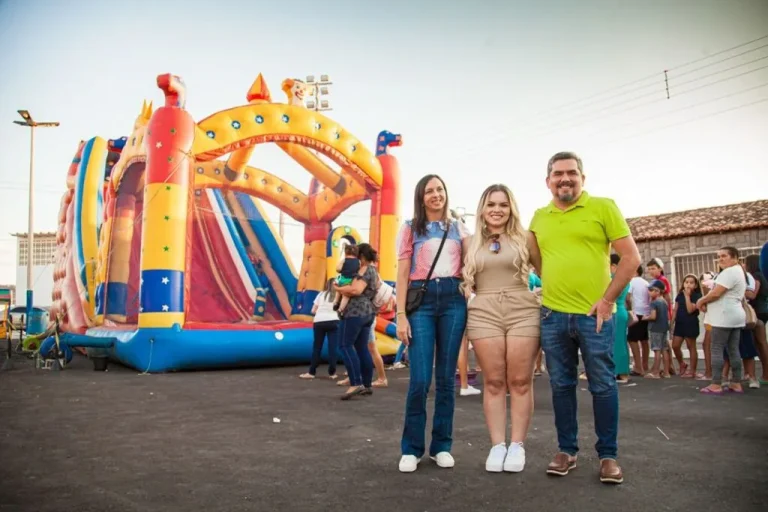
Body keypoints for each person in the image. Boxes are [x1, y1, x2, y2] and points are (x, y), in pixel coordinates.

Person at [528, 151, 641, 485]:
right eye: (558, 174)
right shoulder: (538, 218)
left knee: (603, 385)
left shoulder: (603, 207)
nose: (565, 179)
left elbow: (631, 258)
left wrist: (607, 300)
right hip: (552, 315)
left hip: (596, 317)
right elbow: (538, 263)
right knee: (561, 385)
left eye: (571, 173)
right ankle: (567, 450)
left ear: (582, 177)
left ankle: (608, 455)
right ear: (547, 180)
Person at [462, 184, 541, 473]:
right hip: (484, 312)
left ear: (512, 209)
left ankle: (517, 445)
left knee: (520, 381)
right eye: (491, 204)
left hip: (523, 310)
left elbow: (547, 273)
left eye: (503, 204)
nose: (497, 209)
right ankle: (498, 445)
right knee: (494, 381)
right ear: (482, 209)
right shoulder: (469, 243)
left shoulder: (526, 238)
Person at [396, 174, 469, 473]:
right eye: (430, 191)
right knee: (420, 379)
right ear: (421, 197)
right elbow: (401, 273)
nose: (436, 195)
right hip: (421, 302)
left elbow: (473, 260)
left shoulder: (459, 227)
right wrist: (401, 315)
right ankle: (411, 449)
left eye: (440, 189)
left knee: (446, 379)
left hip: (453, 299)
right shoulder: (410, 228)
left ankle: (442, 446)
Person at [696, 247, 747, 395]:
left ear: (735, 257)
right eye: (719, 256)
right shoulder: (738, 272)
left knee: (717, 348)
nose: (721, 259)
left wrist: (701, 300)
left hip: (724, 316)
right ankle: (736, 382)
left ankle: (716, 383)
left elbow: (717, 293)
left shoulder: (730, 272)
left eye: (724, 256)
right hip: (735, 315)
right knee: (733, 349)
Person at [334, 243, 380, 400]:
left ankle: (356, 383)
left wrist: (338, 289)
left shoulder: (365, 270)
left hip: (355, 312)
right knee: (361, 348)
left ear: (361, 256)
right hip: (367, 312)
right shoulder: (375, 271)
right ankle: (366, 385)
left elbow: (355, 290)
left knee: (344, 345)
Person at [299, 278, 340, 380]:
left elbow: (313, 310)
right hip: (333, 321)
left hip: (319, 321)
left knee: (317, 347)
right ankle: (332, 373)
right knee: (333, 347)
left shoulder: (321, 294)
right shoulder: (339, 295)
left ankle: (312, 372)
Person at [670, 274, 702, 378]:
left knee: (691, 346)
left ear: (696, 285)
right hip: (680, 323)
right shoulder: (679, 295)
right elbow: (675, 309)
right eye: (686, 282)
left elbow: (690, 310)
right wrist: (671, 323)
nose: (688, 284)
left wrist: (688, 296)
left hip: (690, 323)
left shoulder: (697, 296)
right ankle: (682, 364)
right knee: (675, 345)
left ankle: (692, 371)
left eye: (691, 282)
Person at [610, 254, 631, 383]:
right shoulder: (626, 278)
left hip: (614, 311)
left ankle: (619, 372)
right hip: (621, 311)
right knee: (622, 343)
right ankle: (622, 372)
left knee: (616, 343)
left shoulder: (613, 278)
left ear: (613, 266)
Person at [645, 280, 672, 378]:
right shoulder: (664, 301)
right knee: (664, 349)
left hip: (655, 329)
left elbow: (653, 316)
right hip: (664, 328)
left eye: (651, 290)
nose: (649, 292)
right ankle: (666, 372)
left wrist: (645, 318)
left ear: (658, 291)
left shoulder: (655, 303)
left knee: (657, 350)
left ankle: (656, 372)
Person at [627, 266, 651, 375]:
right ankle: (645, 365)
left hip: (636, 312)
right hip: (646, 312)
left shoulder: (631, 281)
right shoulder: (646, 283)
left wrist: (629, 309)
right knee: (644, 339)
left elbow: (628, 298)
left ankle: (638, 366)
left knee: (632, 339)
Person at [334, 244, 360, 315]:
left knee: (338, 290)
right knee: (346, 296)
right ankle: (340, 309)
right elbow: (360, 270)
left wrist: (341, 270)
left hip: (342, 279)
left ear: (346, 252)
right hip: (350, 281)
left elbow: (338, 268)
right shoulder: (358, 261)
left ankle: (336, 302)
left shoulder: (344, 260)